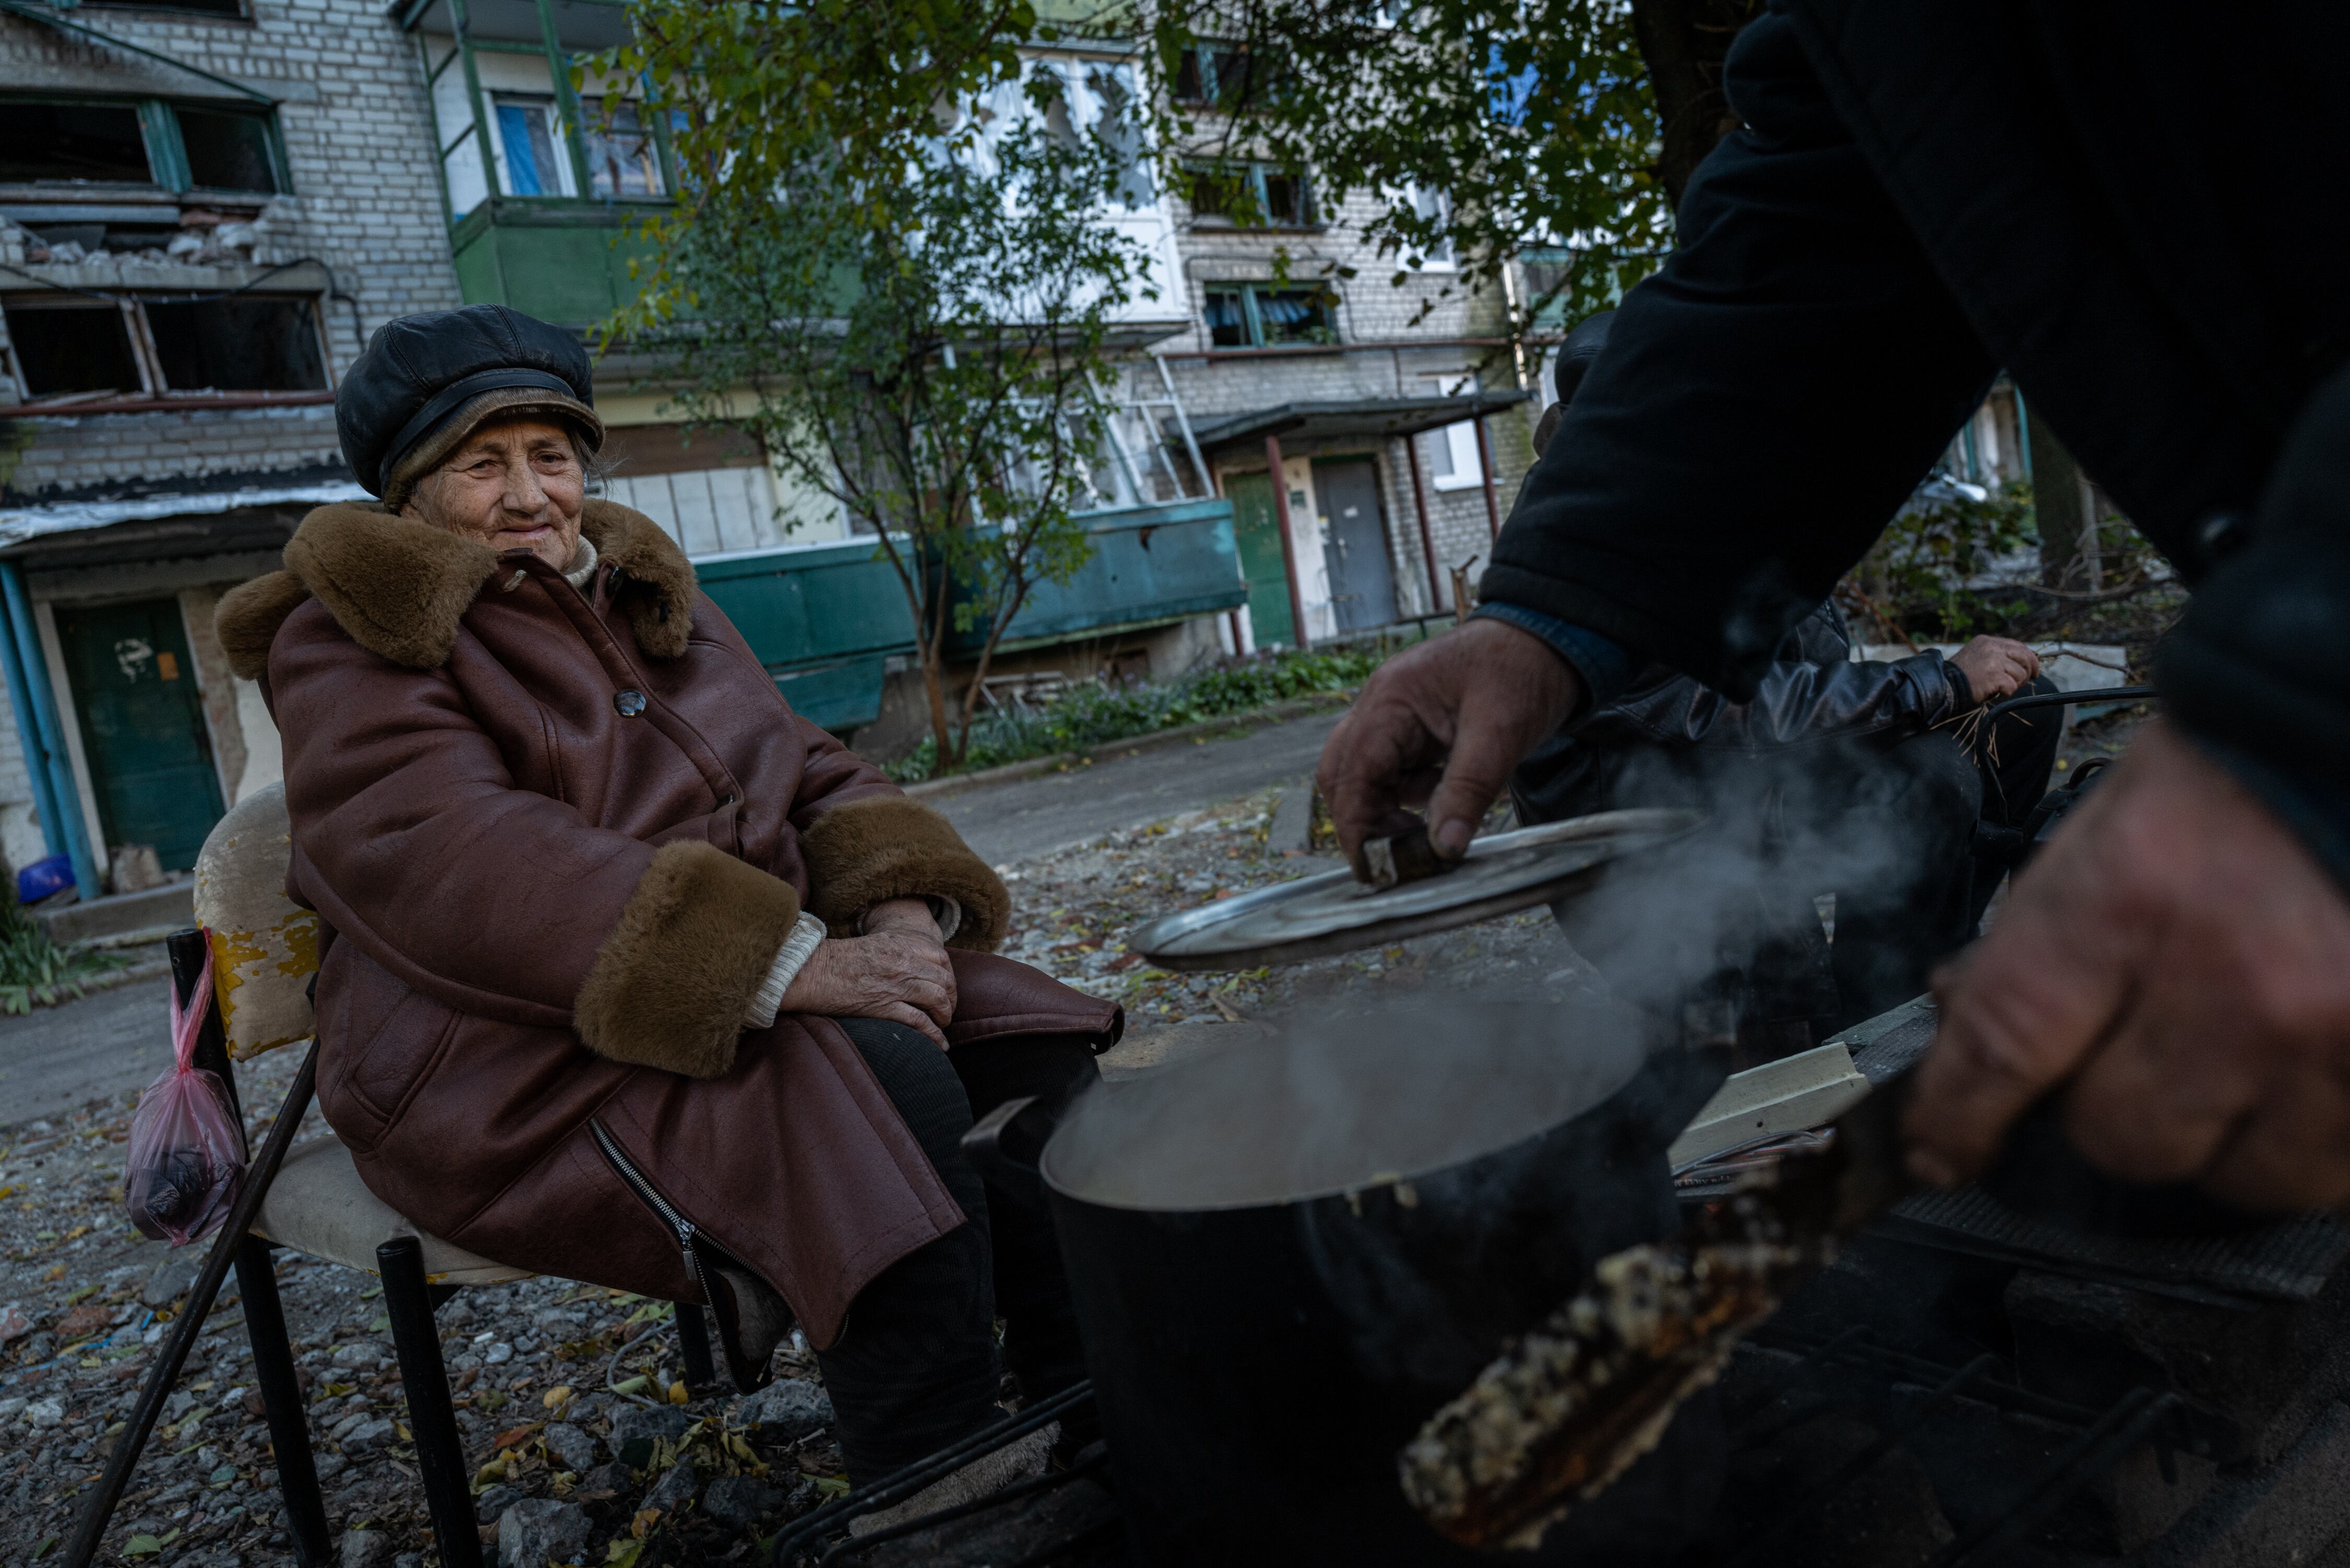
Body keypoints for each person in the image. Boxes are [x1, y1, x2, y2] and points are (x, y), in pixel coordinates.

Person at [1320, 6, 2350, 1213]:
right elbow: (1832, 222)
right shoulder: (1892, 45)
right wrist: (1560, 610)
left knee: (1944, 794)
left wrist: (2302, 716)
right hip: (1679, 838)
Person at [217, 304, 1117, 1486]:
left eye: (552, 456)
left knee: (1023, 1036)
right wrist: (783, 964)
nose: (530, 492)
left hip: (703, 1002)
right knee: (870, 1076)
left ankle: (1098, 1402)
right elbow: (451, 856)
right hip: (491, 1060)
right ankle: (934, 1479)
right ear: (408, 495)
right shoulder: (349, 640)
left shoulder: (637, 594)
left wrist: (903, 907)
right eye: (482, 464)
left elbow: (806, 761)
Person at [1513, 311, 2061, 1043]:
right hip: (1651, 839)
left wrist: (1942, 691)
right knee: (1923, 777)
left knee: (2023, 711)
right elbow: (1730, 710)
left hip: (1741, 770)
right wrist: (1936, 684)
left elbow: (1811, 666)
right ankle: (1860, 1031)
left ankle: (1916, 975)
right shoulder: (1584, 538)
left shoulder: (1698, 486)